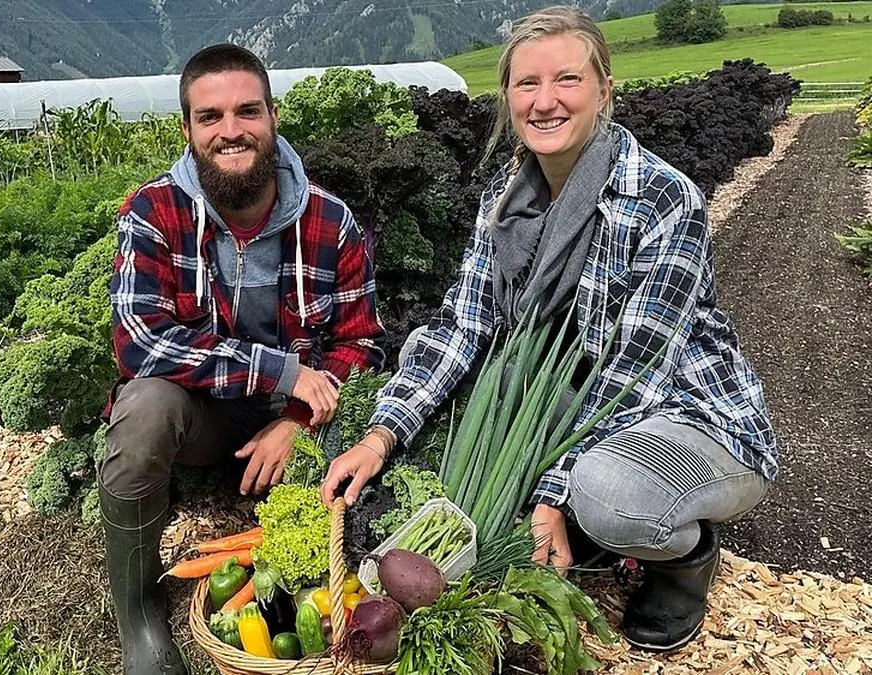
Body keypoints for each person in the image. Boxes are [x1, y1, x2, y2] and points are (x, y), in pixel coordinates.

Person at [322, 5, 776, 654]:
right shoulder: (508, 199)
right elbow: (462, 325)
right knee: (461, 399)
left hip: (687, 411)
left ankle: (685, 559)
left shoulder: (662, 199)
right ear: (508, 97)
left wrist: (552, 493)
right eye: (526, 83)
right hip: (575, 406)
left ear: (604, 90)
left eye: (567, 79)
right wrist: (381, 434)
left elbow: (634, 374)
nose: (544, 101)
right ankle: (587, 516)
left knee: (606, 497)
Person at [101, 44, 386, 674]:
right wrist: (283, 371)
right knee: (143, 407)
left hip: (302, 429)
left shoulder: (330, 221)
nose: (230, 131)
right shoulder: (156, 212)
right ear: (188, 129)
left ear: (273, 118)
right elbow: (141, 341)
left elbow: (360, 343)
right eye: (210, 117)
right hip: (202, 417)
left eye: (247, 112)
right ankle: (140, 616)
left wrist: (296, 420)